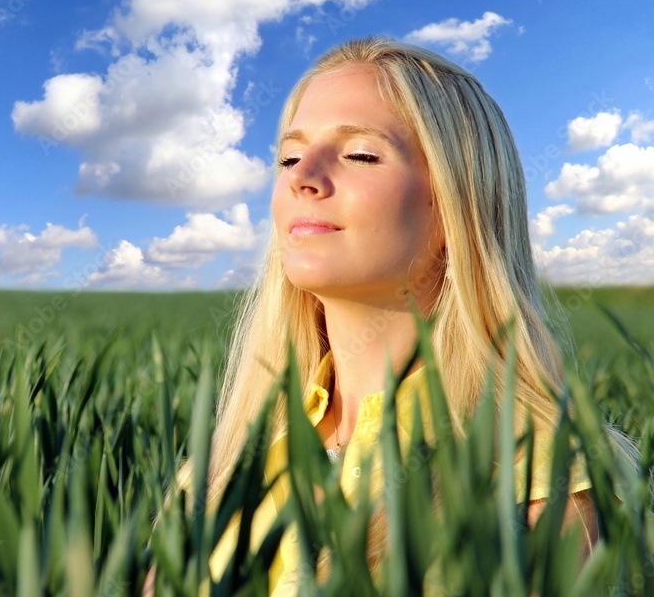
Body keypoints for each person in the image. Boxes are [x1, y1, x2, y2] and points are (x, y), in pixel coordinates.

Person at [144, 37, 638, 596]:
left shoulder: (538, 474)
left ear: (456, 201)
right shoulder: (221, 468)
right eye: (288, 157)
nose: (302, 175)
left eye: (359, 154)